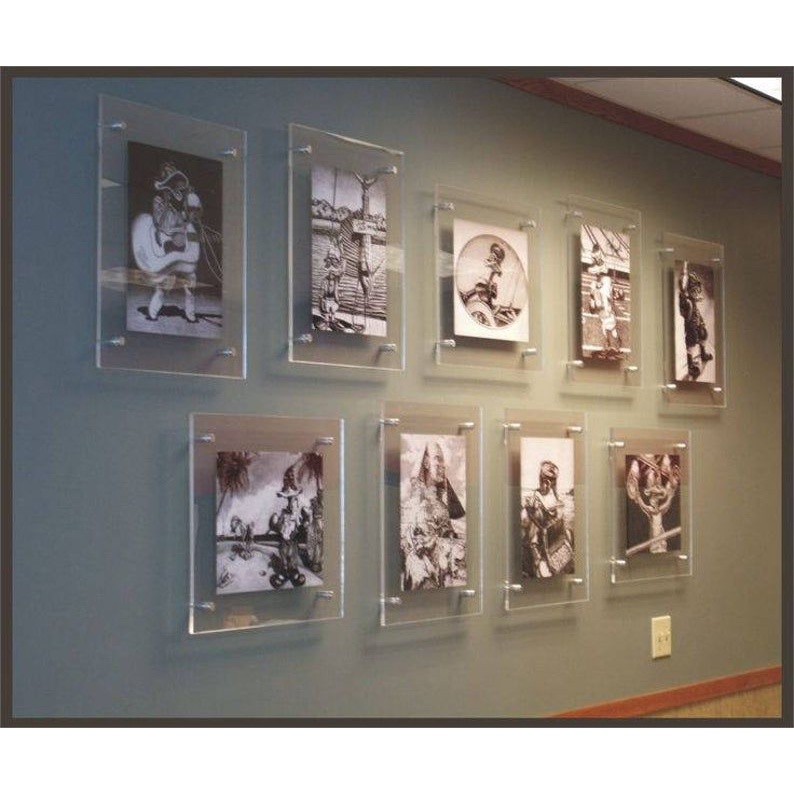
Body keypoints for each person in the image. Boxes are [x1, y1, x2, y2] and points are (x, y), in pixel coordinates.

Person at [400, 441, 466, 590]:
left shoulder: (442, 506)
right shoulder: (414, 504)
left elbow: (447, 536)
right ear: (426, 463)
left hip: (443, 569)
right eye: (438, 459)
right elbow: (412, 544)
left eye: (443, 461)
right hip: (421, 571)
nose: (443, 466)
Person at [521, 461, 572, 578]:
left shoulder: (556, 497)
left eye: (551, 479)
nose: (547, 482)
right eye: (544, 478)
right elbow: (528, 524)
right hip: (539, 542)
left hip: (555, 542)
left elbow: (560, 521)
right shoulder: (533, 498)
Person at [626, 455, 680, 553]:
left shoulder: (658, 509)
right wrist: (637, 496)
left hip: (660, 541)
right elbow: (642, 502)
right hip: (655, 542)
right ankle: (658, 546)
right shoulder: (652, 510)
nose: (654, 501)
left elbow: (667, 499)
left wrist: (670, 494)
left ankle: (659, 546)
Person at [267, 470, 306, 589]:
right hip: (286, 529)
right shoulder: (285, 511)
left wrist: (297, 523)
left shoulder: (295, 502)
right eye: (289, 477)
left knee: (292, 551)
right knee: (284, 550)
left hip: (292, 529)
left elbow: (296, 512)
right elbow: (285, 495)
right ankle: (284, 572)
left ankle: (293, 571)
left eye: (291, 477)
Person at [678, 260, 713, 379]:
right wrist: (684, 270)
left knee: (703, 333)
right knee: (692, 341)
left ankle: (702, 353)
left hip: (695, 316)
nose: (697, 292)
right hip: (690, 321)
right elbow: (682, 285)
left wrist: (695, 298)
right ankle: (690, 365)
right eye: (694, 290)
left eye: (697, 290)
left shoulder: (692, 297)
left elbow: (695, 295)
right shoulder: (685, 298)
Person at [587, 242, 622, 357]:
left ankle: (612, 345)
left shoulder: (604, 280)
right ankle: (612, 345)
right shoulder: (599, 282)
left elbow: (601, 272)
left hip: (606, 309)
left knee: (608, 325)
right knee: (607, 326)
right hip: (606, 310)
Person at [460, 242, 506, 325]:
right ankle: (489, 309)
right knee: (485, 297)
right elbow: (494, 268)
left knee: (486, 295)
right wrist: (495, 264)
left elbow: (499, 272)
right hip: (483, 283)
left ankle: (468, 296)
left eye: (496, 254)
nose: (493, 255)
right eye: (493, 252)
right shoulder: (488, 262)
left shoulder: (494, 265)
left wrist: (497, 264)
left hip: (485, 284)